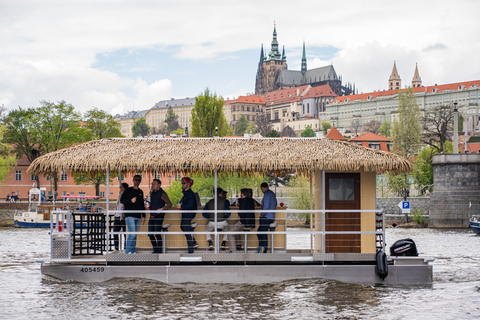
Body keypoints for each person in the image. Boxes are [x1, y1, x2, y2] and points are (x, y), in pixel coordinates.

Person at [120, 175, 146, 254]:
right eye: (136, 180)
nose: (137, 181)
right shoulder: (128, 190)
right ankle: (127, 252)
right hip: (129, 215)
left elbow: (142, 204)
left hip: (138, 216)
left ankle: (133, 251)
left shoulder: (140, 192)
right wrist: (130, 201)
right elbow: (122, 200)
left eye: (138, 180)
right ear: (133, 180)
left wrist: (143, 216)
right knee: (132, 234)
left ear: (140, 181)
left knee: (135, 235)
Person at [148, 179, 172, 253]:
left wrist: (161, 209)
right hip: (151, 216)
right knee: (150, 234)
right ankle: (155, 249)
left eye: (154, 184)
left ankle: (159, 250)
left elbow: (169, 204)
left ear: (159, 185)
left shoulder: (162, 193)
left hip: (158, 217)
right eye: (152, 184)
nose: (153, 185)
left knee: (157, 233)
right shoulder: (152, 193)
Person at [178, 177, 197, 253]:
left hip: (188, 215)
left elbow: (190, 206)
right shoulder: (186, 193)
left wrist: (181, 206)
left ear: (188, 184)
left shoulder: (190, 194)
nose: (182, 184)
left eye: (184, 183)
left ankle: (191, 251)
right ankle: (194, 242)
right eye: (182, 183)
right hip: (185, 215)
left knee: (187, 231)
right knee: (183, 227)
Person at [257, 182, 277, 253]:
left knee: (262, 233)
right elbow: (275, 204)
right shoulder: (272, 193)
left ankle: (263, 250)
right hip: (271, 216)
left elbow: (266, 206)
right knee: (261, 232)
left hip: (266, 217)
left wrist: (262, 214)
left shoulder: (266, 194)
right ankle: (262, 248)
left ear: (262, 188)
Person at [113, 182, 128, 252]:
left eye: (120, 187)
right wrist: (115, 212)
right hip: (117, 216)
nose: (119, 188)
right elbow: (117, 205)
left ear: (124, 188)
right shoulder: (120, 196)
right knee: (115, 232)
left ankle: (125, 248)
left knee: (125, 233)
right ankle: (116, 248)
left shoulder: (127, 196)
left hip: (123, 216)